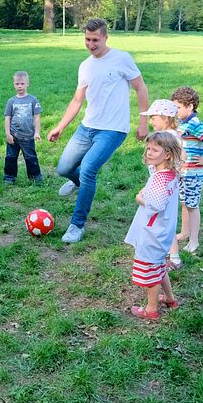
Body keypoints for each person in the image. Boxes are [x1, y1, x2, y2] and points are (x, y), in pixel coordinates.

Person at [48, 18, 149, 243]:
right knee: (64, 168)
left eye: (95, 40)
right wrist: (60, 127)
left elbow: (141, 88)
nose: (91, 44)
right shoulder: (85, 65)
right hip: (87, 127)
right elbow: (77, 100)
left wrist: (143, 122)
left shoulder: (122, 58)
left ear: (105, 37)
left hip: (113, 129)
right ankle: (77, 183)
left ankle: (77, 225)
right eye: (87, 39)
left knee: (88, 169)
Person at [125, 132, 182, 320]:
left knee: (150, 273)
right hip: (163, 231)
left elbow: (156, 205)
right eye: (148, 148)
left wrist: (140, 198)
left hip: (152, 234)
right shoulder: (170, 174)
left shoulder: (160, 178)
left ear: (167, 154)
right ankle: (170, 299)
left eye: (154, 150)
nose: (149, 152)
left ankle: (151, 310)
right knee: (159, 266)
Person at [170, 86, 203, 254]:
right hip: (184, 172)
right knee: (185, 203)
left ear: (190, 106)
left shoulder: (195, 124)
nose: (174, 111)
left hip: (193, 173)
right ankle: (184, 233)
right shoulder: (184, 123)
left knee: (192, 205)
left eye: (177, 107)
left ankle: (194, 240)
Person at [140, 99, 183, 269]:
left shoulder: (169, 138)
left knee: (163, 221)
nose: (151, 121)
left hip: (163, 185)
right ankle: (170, 255)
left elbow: (181, 158)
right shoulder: (171, 135)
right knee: (166, 220)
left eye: (154, 117)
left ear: (166, 118)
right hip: (165, 183)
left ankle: (172, 256)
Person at [3, 71, 43, 184]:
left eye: (22, 83)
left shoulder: (33, 100)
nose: (20, 86)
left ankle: (35, 178)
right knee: (10, 157)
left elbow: (37, 117)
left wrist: (37, 132)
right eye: (17, 84)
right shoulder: (11, 101)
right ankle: (9, 178)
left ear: (27, 84)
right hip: (13, 136)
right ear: (14, 84)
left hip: (28, 136)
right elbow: (7, 118)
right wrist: (8, 133)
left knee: (31, 157)